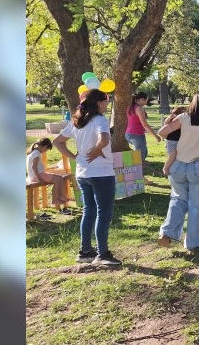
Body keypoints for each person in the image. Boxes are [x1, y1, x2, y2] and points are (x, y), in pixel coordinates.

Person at [53, 89, 121, 267]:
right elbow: (105, 139)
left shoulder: (76, 122)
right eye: (106, 101)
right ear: (98, 103)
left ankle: (85, 251)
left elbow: (57, 141)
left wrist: (75, 157)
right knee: (104, 213)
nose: (107, 104)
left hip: (83, 174)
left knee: (89, 210)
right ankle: (103, 254)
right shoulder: (100, 120)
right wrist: (98, 149)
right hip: (101, 173)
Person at [156, 91, 199, 252]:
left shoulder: (184, 117)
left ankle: (167, 232)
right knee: (197, 206)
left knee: (178, 200)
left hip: (178, 165)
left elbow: (162, 132)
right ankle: (194, 243)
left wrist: (171, 122)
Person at [26, 138, 71, 214]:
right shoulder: (36, 153)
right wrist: (38, 178)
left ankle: (62, 196)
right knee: (56, 181)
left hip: (40, 174)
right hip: (37, 175)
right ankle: (55, 199)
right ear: (45, 146)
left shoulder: (34, 152)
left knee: (60, 177)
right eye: (46, 150)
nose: (45, 152)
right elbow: (33, 167)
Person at [125, 92, 161, 185]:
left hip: (129, 133)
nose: (146, 102)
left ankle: (138, 177)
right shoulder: (139, 108)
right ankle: (138, 178)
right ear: (141, 99)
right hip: (136, 135)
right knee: (139, 159)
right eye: (145, 100)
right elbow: (145, 124)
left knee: (143, 153)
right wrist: (156, 136)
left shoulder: (130, 107)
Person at [161, 106, 187, 176]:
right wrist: (169, 118)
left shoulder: (183, 120)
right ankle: (166, 167)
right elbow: (165, 123)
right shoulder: (172, 119)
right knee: (172, 155)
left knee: (177, 155)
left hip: (178, 141)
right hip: (171, 141)